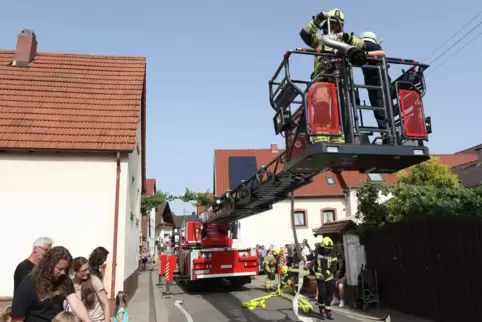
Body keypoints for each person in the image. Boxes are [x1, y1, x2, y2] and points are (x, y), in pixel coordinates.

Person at [299, 8, 366, 144]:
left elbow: (362, 46)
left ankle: (338, 138)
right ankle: (321, 137)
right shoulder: (320, 40)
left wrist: (347, 38)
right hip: (322, 79)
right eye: (331, 23)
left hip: (341, 82)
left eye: (336, 23)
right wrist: (318, 19)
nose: (333, 26)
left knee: (341, 109)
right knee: (322, 106)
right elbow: (305, 34)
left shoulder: (346, 41)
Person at [10, 246, 92, 322]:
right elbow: (17, 318)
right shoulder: (29, 285)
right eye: (60, 269)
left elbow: (76, 303)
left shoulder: (64, 280)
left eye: (66, 269)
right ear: (48, 265)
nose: (63, 272)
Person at [359, 31, 390, 139]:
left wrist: (365, 54)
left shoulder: (368, 44)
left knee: (380, 106)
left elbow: (382, 53)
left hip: (378, 79)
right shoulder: (367, 46)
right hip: (373, 80)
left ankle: (386, 131)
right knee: (380, 106)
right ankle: (385, 132)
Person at [67, 257, 111, 322]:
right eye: (84, 270)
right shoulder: (70, 285)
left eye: (88, 268)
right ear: (74, 272)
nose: (87, 272)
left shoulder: (94, 281)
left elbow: (105, 303)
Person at [304, 237, 337, 320]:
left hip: (328, 277)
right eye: (326, 248)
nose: (328, 250)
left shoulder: (332, 254)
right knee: (322, 293)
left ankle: (328, 311)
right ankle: (321, 308)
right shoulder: (318, 251)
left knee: (329, 295)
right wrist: (304, 259)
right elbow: (311, 257)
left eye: (329, 248)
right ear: (322, 246)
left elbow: (334, 267)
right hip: (320, 277)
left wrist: (325, 275)